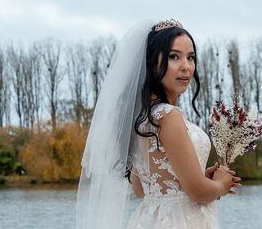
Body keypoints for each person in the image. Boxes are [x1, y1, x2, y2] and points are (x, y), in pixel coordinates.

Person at [76, 19, 240, 229]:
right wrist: (221, 185)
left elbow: (142, 188)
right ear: (153, 63)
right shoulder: (169, 116)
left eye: (191, 58)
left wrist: (197, 176)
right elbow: (198, 192)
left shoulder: (142, 118)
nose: (186, 67)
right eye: (174, 57)